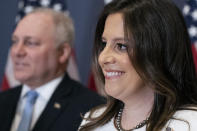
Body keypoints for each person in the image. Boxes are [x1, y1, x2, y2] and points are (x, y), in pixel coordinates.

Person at [79, 0, 197, 130]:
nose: (102, 58)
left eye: (121, 46)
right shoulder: (93, 120)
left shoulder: (190, 123)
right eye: (104, 44)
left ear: (158, 53)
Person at [0, 8, 105, 131]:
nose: (17, 51)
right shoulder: (3, 100)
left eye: (31, 43)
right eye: (15, 41)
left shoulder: (94, 111)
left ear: (63, 52)